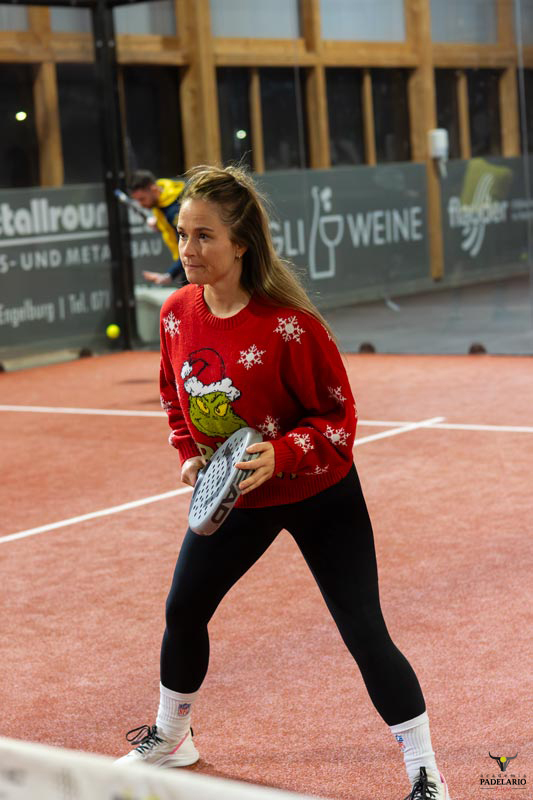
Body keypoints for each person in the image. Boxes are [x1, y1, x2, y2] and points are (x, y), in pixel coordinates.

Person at [117, 165, 451, 800]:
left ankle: (426, 773)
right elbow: (173, 394)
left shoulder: (288, 325)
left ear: (241, 243)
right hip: (239, 494)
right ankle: (172, 738)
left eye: (204, 236)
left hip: (321, 490)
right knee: (183, 609)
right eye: (183, 236)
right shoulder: (174, 314)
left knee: (363, 630)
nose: (188, 250)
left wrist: (284, 451)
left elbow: (339, 417)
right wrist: (190, 454)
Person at [129, 170, 187, 286]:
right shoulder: (162, 193)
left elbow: (188, 249)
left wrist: (169, 275)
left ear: (153, 189)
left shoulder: (174, 212)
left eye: (142, 199)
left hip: (190, 266)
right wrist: (160, 223)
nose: (141, 205)